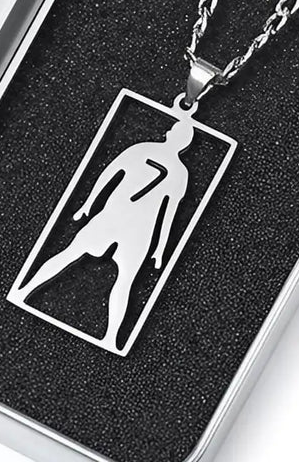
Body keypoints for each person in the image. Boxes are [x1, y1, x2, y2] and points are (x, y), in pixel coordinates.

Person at [17, 117, 195, 348]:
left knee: (74, 257)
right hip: (134, 229)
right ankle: (110, 338)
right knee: (121, 280)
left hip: (124, 224)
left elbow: (110, 175)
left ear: (171, 133)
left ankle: (25, 291)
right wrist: (160, 247)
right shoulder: (179, 172)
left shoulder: (144, 151)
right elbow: (168, 212)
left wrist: (89, 203)